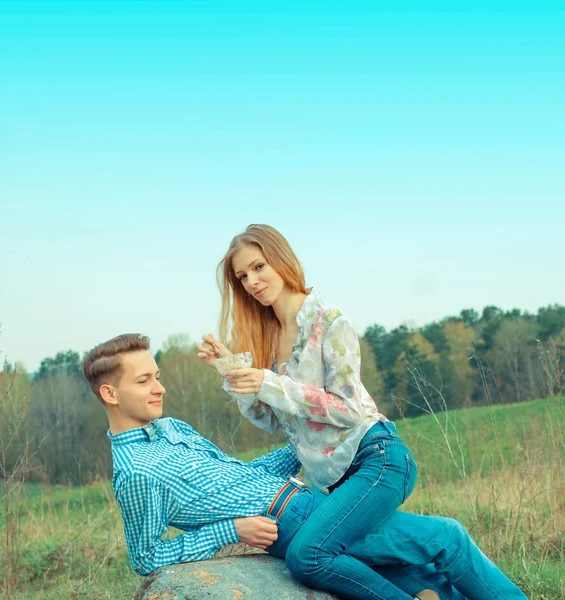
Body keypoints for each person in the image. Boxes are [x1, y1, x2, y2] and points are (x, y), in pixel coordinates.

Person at [199, 224, 526, 599]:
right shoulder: (272, 340)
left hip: (377, 458)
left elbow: (348, 409)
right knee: (388, 559)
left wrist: (268, 383)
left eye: (258, 267)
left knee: (308, 555)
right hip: (334, 480)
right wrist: (234, 377)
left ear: (280, 259)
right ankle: (444, 548)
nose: (251, 282)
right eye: (242, 276)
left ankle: (449, 550)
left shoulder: (329, 322)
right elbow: (275, 420)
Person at [84, 333, 527, 600]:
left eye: (157, 375)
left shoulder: (171, 429)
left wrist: (309, 443)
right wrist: (232, 531)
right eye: (144, 381)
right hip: (291, 523)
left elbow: (243, 476)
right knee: (445, 537)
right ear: (109, 394)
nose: (159, 387)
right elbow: (145, 556)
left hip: (310, 502)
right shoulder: (136, 472)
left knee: (421, 574)